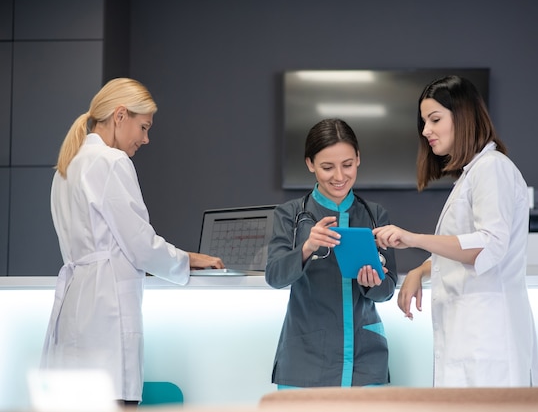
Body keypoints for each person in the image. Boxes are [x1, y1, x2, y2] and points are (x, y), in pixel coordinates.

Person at [40, 78, 225, 406]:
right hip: (106, 310)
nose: (146, 138)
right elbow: (140, 244)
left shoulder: (66, 168)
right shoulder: (112, 162)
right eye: (144, 127)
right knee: (115, 399)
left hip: (76, 307)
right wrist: (186, 259)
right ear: (120, 115)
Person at [373, 75, 538, 387]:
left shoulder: (493, 168)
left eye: (435, 119)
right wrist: (420, 271)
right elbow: (462, 250)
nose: (426, 131)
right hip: (469, 339)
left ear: (463, 117)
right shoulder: (472, 174)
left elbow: (488, 245)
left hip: (488, 342)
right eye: (424, 122)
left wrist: (412, 239)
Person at [265, 118, 398, 388]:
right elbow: (275, 276)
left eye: (347, 164)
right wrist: (307, 248)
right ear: (310, 164)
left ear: (358, 159)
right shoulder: (291, 214)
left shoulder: (375, 215)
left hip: (365, 360)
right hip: (305, 359)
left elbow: (387, 290)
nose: (339, 176)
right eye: (327, 167)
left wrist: (371, 284)